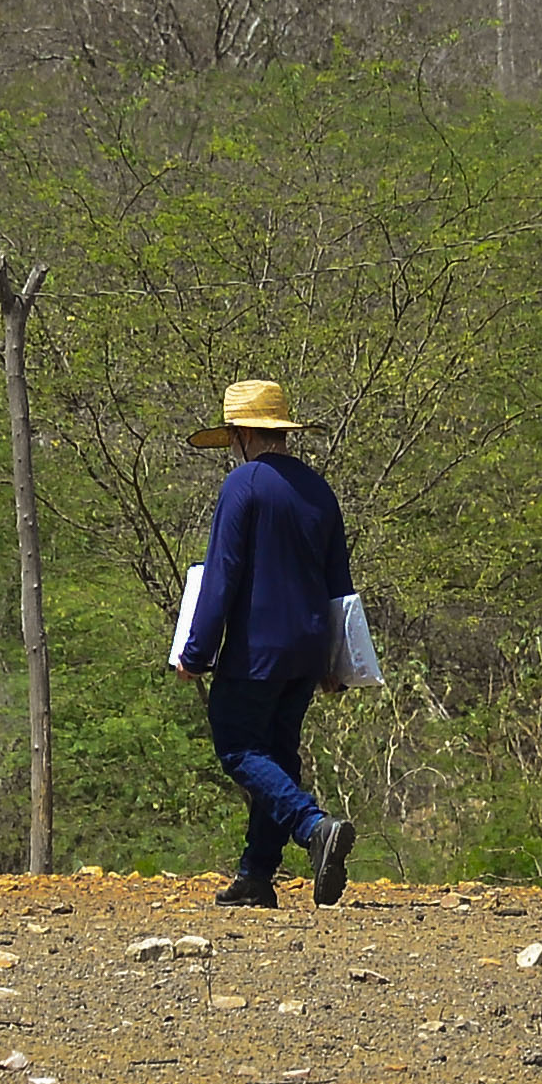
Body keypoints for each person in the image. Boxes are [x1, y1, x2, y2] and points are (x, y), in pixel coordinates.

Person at [171, 379, 357, 908]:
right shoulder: (319, 490)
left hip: (257, 649)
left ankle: (314, 827)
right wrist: (337, 661)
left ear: (242, 434)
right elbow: (338, 582)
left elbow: (221, 576)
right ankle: (256, 874)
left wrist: (196, 651)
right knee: (277, 753)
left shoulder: (244, 484)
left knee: (238, 747)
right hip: (308, 650)